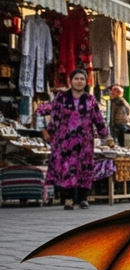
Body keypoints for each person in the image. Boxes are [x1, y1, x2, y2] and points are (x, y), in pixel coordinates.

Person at [39, 68, 112, 210]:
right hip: (65, 140)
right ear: (70, 81)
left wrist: (105, 134)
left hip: (85, 141)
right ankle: (68, 199)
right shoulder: (61, 97)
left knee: (84, 168)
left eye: (82, 79)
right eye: (76, 79)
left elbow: (98, 118)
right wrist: (50, 133)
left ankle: (83, 198)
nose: (79, 82)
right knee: (67, 169)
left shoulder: (90, 99)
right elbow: (54, 116)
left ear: (86, 82)